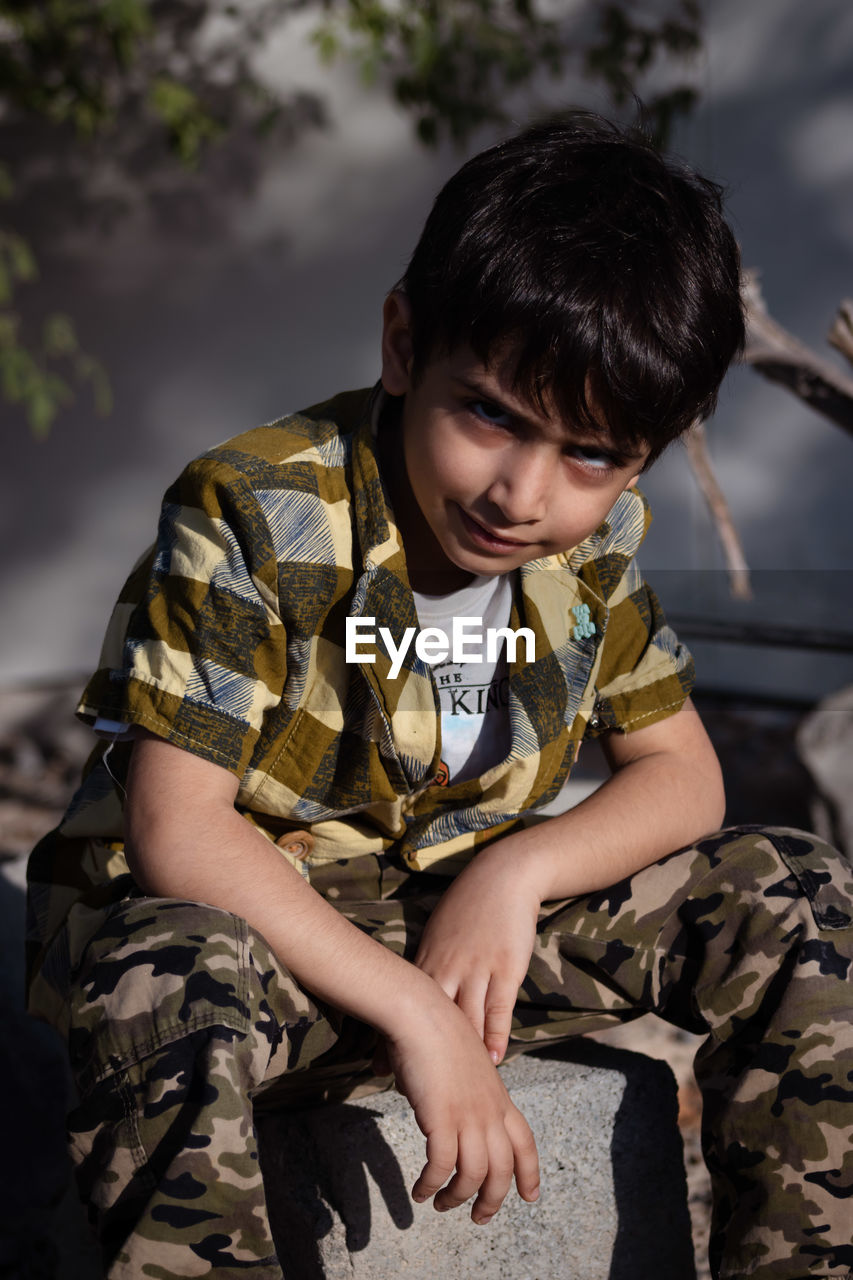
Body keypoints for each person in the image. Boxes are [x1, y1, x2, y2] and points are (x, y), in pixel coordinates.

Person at [26, 113, 853, 1280]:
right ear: (405, 345)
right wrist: (417, 1013)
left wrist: (519, 874)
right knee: (162, 972)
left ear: (645, 455)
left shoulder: (595, 540)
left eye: (591, 454)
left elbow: (683, 774)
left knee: (799, 893)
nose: (523, 492)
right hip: (262, 945)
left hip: (461, 926)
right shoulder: (258, 511)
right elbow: (178, 827)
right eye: (493, 417)